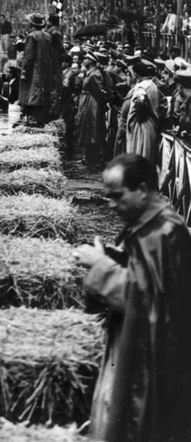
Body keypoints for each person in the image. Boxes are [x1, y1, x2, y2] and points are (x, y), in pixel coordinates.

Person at [75, 153, 191, 442]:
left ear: (141, 189)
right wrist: (112, 258)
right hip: (132, 341)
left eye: (117, 196)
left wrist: (100, 266)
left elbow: (149, 302)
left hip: (150, 357)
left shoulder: (165, 234)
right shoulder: (144, 224)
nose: (111, 205)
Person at [19, 11, 56, 125]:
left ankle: (32, 118)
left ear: (31, 24)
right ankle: (41, 119)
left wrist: (24, 71)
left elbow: (28, 57)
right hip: (46, 70)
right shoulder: (48, 36)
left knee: (32, 93)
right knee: (43, 94)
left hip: (34, 70)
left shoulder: (32, 36)